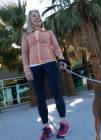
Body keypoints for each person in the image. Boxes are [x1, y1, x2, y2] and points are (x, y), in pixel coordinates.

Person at [21, 10, 69, 140]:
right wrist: (27, 69)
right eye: (34, 16)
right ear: (30, 20)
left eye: (38, 15)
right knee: (40, 98)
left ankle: (64, 123)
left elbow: (57, 47)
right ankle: (46, 128)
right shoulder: (26, 36)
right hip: (34, 66)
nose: (37, 18)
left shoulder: (49, 33)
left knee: (56, 92)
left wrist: (61, 59)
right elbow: (24, 53)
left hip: (50, 63)